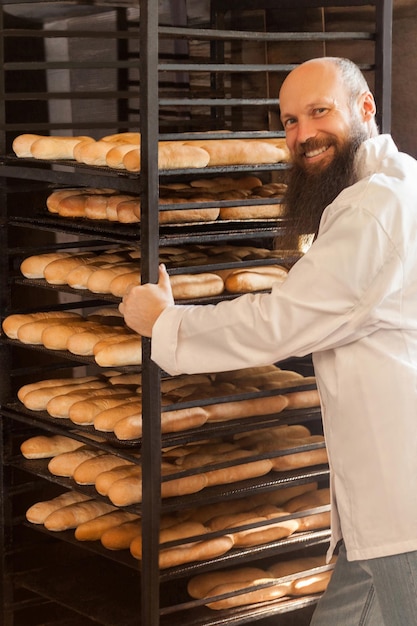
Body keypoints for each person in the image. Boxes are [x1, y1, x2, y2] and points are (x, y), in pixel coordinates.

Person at [119, 57, 417, 625]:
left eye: (318, 111)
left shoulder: (377, 208)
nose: (303, 134)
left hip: (404, 506)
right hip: (380, 508)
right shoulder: (393, 189)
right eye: (288, 121)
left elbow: (280, 321)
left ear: (365, 108)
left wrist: (165, 322)